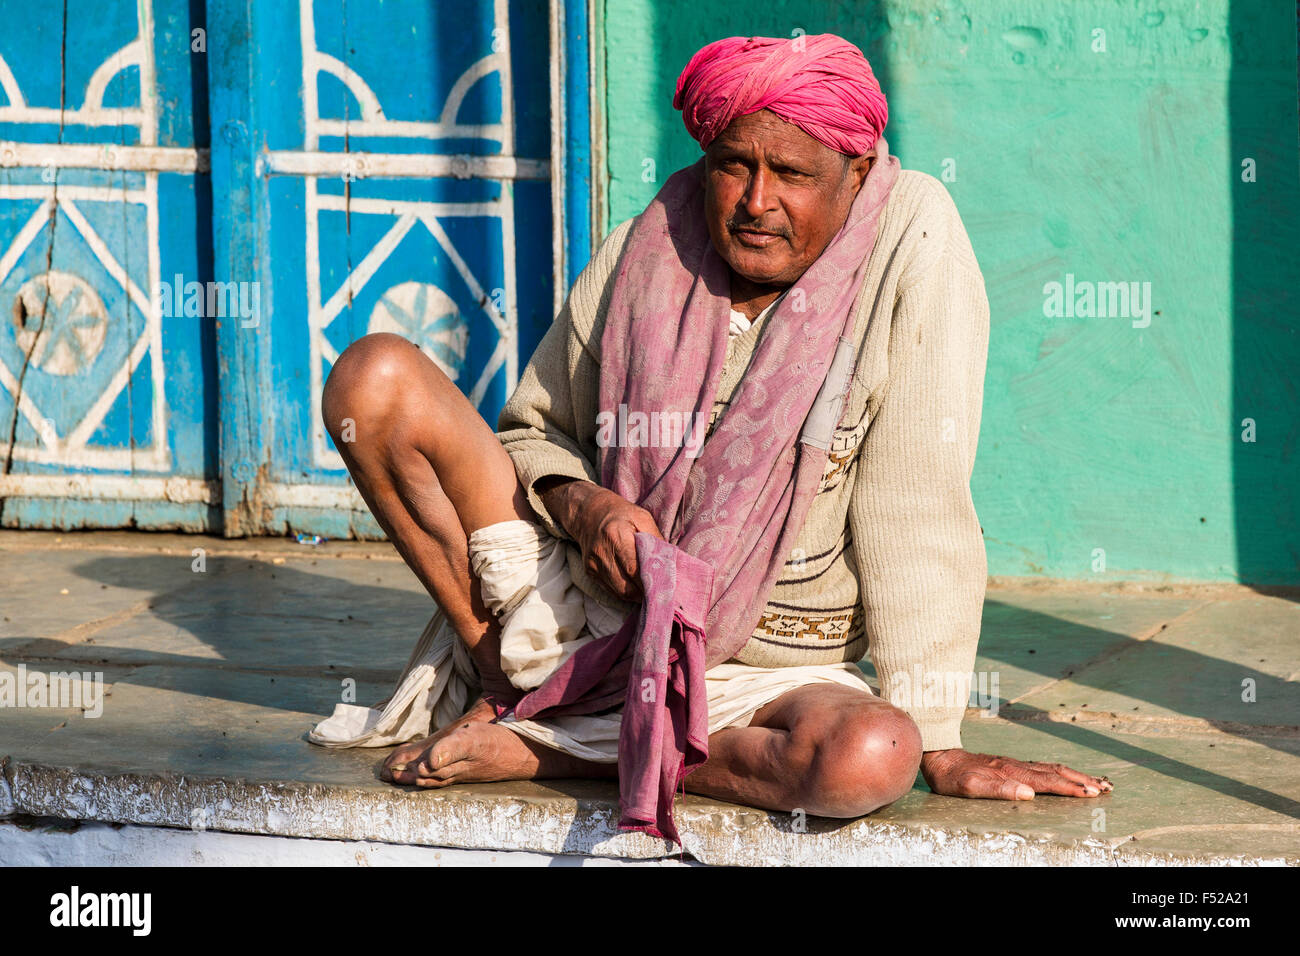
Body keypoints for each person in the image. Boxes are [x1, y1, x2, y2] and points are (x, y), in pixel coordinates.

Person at [310, 33, 1113, 825]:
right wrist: (586, 505)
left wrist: (938, 741)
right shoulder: (650, 244)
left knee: (873, 755)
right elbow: (533, 432)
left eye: (792, 174)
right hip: (586, 615)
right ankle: (511, 682)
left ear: (858, 173)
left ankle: (560, 745)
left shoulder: (913, 244)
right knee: (373, 380)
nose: (756, 201)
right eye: (734, 165)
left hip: (758, 670)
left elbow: (918, 506)